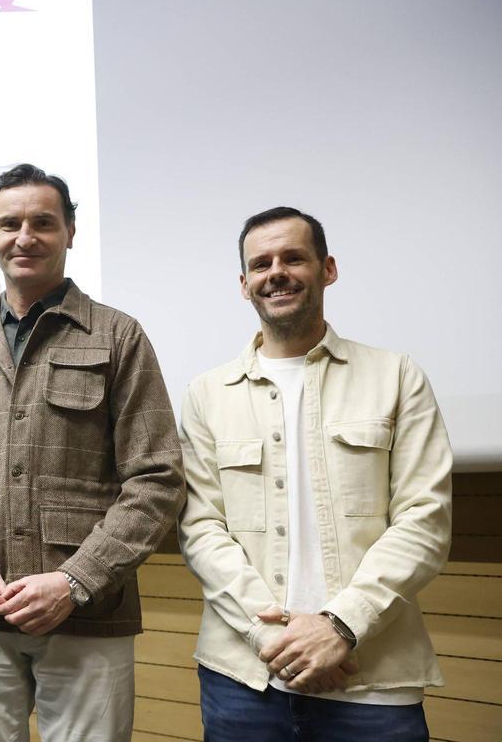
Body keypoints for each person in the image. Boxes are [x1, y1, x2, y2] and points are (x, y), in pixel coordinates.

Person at [0, 163, 185, 741]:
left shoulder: (118, 336)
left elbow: (157, 480)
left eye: (43, 222)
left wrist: (75, 580)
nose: (25, 236)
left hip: (87, 615)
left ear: (71, 232)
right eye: (10, 223)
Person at [178, 207, 453, 741]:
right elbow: (200, 529)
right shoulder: (205, 395)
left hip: (374, 683)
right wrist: (269, 636)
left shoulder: (396, 376)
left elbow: (425, 519)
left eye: (293, 258)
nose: (275, 272)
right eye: (260, 264)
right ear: (244, 285)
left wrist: (340, 626)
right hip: (243, 682)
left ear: (328, 269)